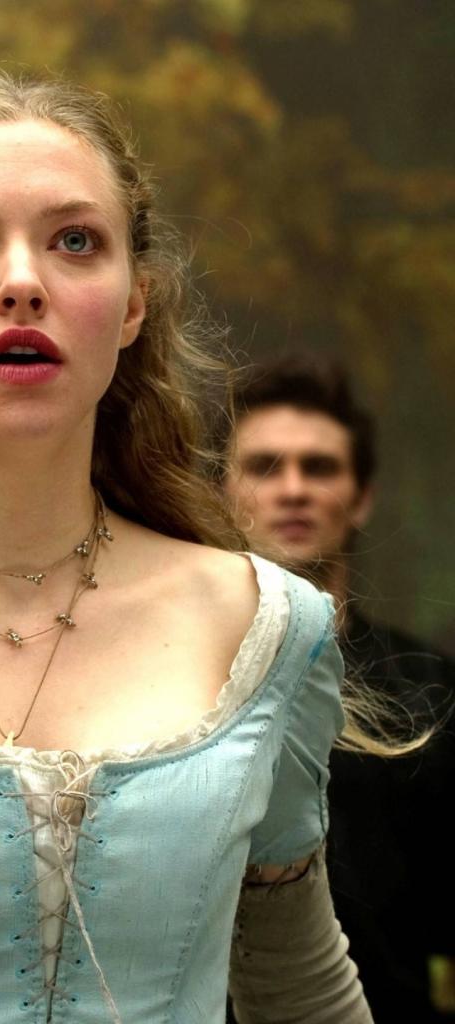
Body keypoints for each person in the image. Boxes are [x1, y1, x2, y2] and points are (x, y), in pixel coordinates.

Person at [0, 68, 373, 1023]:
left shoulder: (267, 627)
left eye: (75, 241)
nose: (22, 283)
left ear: (133, 304)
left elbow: (300, 988)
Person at [224, 353, 455, 1024]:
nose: (293, 489)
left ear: (361, 497)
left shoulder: (432, 688)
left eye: (319, 467)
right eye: (265, 467)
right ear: (221, 490)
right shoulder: (174, 676)